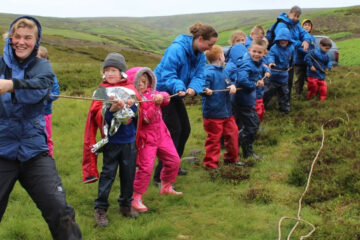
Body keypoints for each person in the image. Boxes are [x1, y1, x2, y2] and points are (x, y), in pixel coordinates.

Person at [0, 16, 82, 239]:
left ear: (36, 41)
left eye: (28, 37)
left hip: (34, 151)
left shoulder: (42, 66)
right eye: (17, 36)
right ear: (10, 38)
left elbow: (39, 89)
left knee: (60, 211)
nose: (21, 41)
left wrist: (11, 85)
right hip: (2, 150)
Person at [153, 22, 218, 184]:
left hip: (177, 93)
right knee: (174, 131)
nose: (210, 49)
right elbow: (167, 75)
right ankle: (160, 176)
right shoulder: (176, 50)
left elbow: (199, 76)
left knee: (185, 130)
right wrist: (180, 86)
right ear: (200, 39)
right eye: (209, 44)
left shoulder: (200, 56)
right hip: (162, 93)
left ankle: (173, 166)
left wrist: (193, 88)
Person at [82, 52, 141, 227]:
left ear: (121, 72)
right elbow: (98, 117)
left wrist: (133, 105)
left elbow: (138, 114)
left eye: (113, 70)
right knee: (107, 174)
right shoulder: (101, 91)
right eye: (107, 70)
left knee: (128, 174)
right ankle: (100, 208)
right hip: (112, 143)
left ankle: (125, 204)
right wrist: (112, 110)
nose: (110, 74)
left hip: (129, 142)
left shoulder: (131, 89)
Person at [130, 67, 183, 213]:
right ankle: (136, 197)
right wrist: (156, 104)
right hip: (146, 138)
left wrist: (162, 97)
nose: (141, 84)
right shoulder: (134, 100)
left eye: (144, 81)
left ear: (149, 82)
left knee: (174, 160)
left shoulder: (153, 93)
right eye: (138, 81)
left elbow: (165, 97)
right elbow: (146, 118)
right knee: (145, 168)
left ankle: (166, 186)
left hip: (161, 133)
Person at [202, 45, 245, 169]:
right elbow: (202, 86)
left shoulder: (224, 71)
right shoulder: (207, 72)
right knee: (214, 140)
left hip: (227, 113)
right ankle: (210, 165)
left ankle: (231, 159)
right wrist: (206, 89)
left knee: (233, 134)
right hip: (213, 114)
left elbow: (228, 82)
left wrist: (232, 86)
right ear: (221, 56)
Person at [231, 39, 270, 159]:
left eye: (259, 52)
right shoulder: (247, 63)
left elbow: (262, 67)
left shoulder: (258, 61)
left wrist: (267, 71)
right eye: (254, 51)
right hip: (242, 100)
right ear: (249, 50)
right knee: (252, 125)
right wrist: (255, 84)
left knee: (252, 124)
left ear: (264, 53)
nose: (256, 54)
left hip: (249, 99)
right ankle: (246, 152)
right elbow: (242, 80)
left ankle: (237, 145)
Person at [268, 6, 312, 99]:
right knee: (276, 83)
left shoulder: (296, 24)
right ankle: (272, 102)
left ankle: (286, 103)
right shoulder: (282, 25)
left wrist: (307, 40)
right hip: (279, 58)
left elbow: (304, 33)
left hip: (290, 57)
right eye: (294, 15)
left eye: (298, 16)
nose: (296, 18)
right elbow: (286, 40)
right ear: (289, 13)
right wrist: (301, 44)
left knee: (288, 82)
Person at [263, 28, 295, 114]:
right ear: (278, 39)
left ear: (288, 40)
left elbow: (292, 58)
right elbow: (270, 56)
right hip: (273, 77)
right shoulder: (274, 48)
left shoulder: (291, 48)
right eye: (281, 40)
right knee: (267, 93)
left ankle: (285, 111)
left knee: (284, 94)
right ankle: (262, 107)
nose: (283, 41)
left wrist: (292, 65)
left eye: (285, 40)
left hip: (284, 77)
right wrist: (271, 62)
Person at [37, 45, 60, 157]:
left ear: (46, 60)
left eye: (39, 58)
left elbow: (56, 94)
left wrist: (44, 96)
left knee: (46, 138)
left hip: (45, 113)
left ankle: (48, 157)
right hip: (30, 114)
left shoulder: (51, 75)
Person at [294, 19, 316, 96]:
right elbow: (298, 46)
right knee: (299, 79)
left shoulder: (313, 38)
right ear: (302, 26)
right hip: (299, 62)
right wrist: (307, 52)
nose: (307, 27)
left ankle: (311, 93)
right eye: (305, 25)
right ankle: (298, 94)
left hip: (309, 62)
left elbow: (313, 48)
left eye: (309, 25)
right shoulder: (298, 36)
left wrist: (313, 55)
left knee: (310, 78)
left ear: (311, 28)